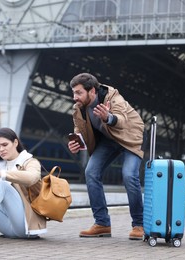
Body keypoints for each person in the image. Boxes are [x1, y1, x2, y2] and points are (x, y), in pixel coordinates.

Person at [67, 73, 145, 240]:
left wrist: (108, 117)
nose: (75, 97)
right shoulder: (79, 108)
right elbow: (79, 129)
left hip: (129, 138)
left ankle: (139, 224)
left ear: (92, 91)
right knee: (91, 173)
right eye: (73, 92)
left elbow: (122, 120)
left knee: (129, 175)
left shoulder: (113, 98)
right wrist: (76, 142)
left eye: (79, 92)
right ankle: (102, 224)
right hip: (107, 141)